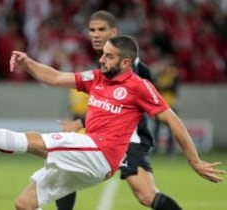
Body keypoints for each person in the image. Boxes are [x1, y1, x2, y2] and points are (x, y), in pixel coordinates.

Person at [0, 35, 225, 210]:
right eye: (103, 53)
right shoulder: (96, 77)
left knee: (35, 142)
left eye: (109, 56)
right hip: (87, 154)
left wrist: (194, 160)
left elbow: (172, 120)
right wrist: (29, 63)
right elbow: (53, 77)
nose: (102, 59)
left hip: (101, 154)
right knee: (25, 204)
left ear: (126, 63)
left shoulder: (139, 86)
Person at [56, 10, 180, 210]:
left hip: (129, 140)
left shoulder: (134, 67)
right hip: (106, 137)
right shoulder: (105, 63)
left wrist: (79, 123)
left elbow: (121, 106)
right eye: (92, 30)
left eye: (101, 29)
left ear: (114, 31)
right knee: (66, 171)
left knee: (147, 195)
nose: (95, 34)